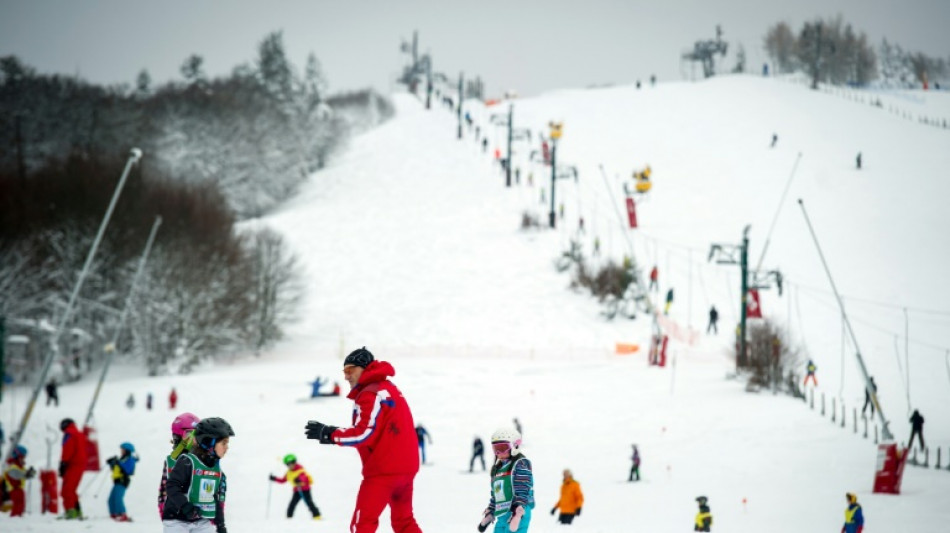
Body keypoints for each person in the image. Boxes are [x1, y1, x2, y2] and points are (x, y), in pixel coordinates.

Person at [304, 347, 422, 533]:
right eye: (344, 371)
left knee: (362, 525)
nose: (346, 376)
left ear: (365, 368)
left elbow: (364, 434)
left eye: (351, 370)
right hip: (405, 469)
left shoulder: (371, 393)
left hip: (384, 471)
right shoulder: (389, 388)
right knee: (404, 522)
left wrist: (330, 433)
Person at [162, 417, 233, 533]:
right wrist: (185, 506)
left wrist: (220, 526)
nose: (227, 447)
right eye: (223, 443)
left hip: (200, 521)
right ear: (209, 442)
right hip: (176, 520)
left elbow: (217, 500)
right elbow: (171, 486)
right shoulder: (188, 462)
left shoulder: (217, 471)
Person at [477, 428, 534, 533]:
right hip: (502, 512)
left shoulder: (520, 464)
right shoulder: (497, 468)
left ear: (515, 446)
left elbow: (523, 487)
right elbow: (497, 494)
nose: (498, 452)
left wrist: (518, 510)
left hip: (517, 512)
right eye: (495, 449)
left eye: (502, 448)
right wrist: (491, 509)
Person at [159, 412, 200, 517]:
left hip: (198, 516)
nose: (194, 439)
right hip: (177, 516)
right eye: (190, 434)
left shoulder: (198, 458)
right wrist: (163, 509)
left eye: (197, 435)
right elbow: (164, 487)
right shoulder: (173, 460)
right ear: (178, 436)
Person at [270, 454, 322, 519]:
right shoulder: (289, 472)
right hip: (297, 491)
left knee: (309, 503)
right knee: (292, 504)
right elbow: (283, 480)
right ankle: (289, 518)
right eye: (288, 464)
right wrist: (274, 478)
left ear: (294, 462)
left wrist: (299, 479)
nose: (290, 466)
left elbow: (303, 477)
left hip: (305, 490)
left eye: (291, 464)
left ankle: (317, 516)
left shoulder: (300, 469)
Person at [59, 418, 88, 519]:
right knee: (72, 489)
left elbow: (68, 448)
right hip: (80, 464)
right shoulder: (79, 434)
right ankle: (77, 511)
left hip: (72, 464)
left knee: (67, 490)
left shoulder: (69, 433)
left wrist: (63, 463)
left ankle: (70, 512)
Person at [106, 442, 139, 522]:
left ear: (127, 451)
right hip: (117, 481)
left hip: (123, 481)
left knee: (118, 498)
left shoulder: (130, 459)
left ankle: (122, 514)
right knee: (111, 499)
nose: (121, 451)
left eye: (123, 450)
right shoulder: (122, 459)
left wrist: (118, 462)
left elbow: (127, 470)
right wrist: (112, 463)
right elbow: (116, 469)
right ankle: (114, 513)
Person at [1, 444, 36, 517]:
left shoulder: (18, 465)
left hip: (19, 489)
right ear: (17, 456)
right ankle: (15, 517)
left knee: (21, 505)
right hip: (14, 490)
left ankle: (19, 516)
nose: (23, 459)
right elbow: (16, 475)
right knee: (17, 504)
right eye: (22, 457)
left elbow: (22, 473)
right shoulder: (12, 465)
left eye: (24, 457)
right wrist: (26, 474)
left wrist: (29, 473)